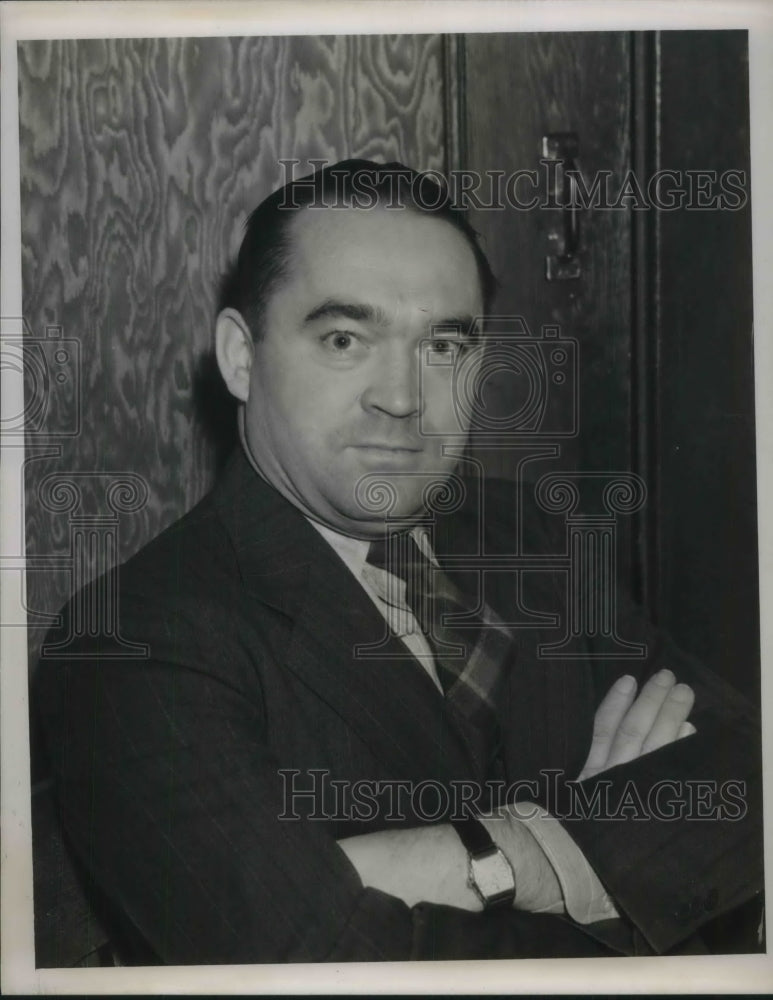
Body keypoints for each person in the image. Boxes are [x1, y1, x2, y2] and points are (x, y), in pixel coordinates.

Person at [34, 160, 763, 964]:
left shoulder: (531, 536)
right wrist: (615, 875)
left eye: (444, 343)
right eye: (345, 338)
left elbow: (745, 775)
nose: (403, 397)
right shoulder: (133, 640)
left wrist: (514, 855)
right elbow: (304, 959)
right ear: (241, 356)